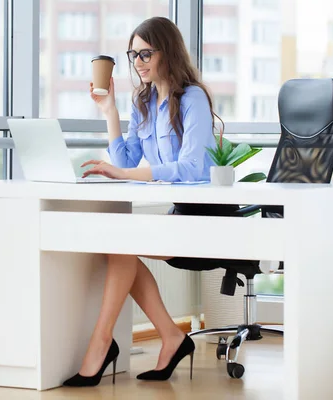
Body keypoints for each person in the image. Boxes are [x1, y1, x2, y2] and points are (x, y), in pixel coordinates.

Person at [63, 16, 223, 387]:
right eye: (133, 54)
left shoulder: (192, 97)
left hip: (207, 217)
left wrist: (121, 174)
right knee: (121, 247)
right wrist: (110, 113)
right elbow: (125, 162)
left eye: (146, 52)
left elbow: (191, 167)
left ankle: (105, 346)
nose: (138, 61)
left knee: (121, 245)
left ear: (168, 51)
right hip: (179, 213)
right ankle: (165, 337)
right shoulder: (145, 102)